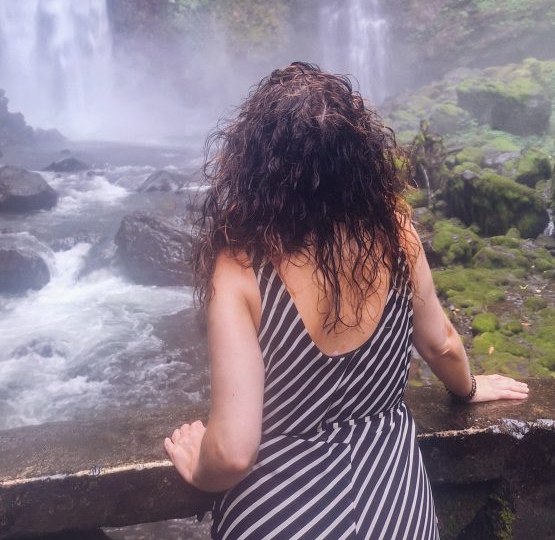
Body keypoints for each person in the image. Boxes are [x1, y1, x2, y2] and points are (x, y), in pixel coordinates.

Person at [164, 62, 528, 540]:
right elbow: (440, 343)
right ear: (358, 157)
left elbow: (232, 453)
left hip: (283, 515)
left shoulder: (242, 265)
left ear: (256, 164)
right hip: (397, 510)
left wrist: (199, 466)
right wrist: (469, 389)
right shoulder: (396, 230)